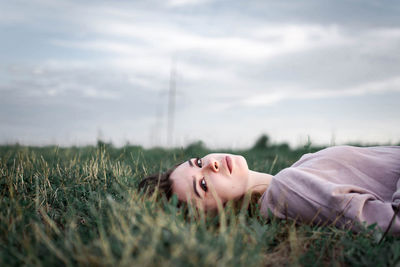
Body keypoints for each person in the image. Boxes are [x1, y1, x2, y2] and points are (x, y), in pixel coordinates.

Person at [139, 145, 400, 235]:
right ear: (214, 215)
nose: (210, 164)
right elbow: (391, 223)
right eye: (203, 185)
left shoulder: (293, 173)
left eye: (197, 162)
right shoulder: (287, 190)